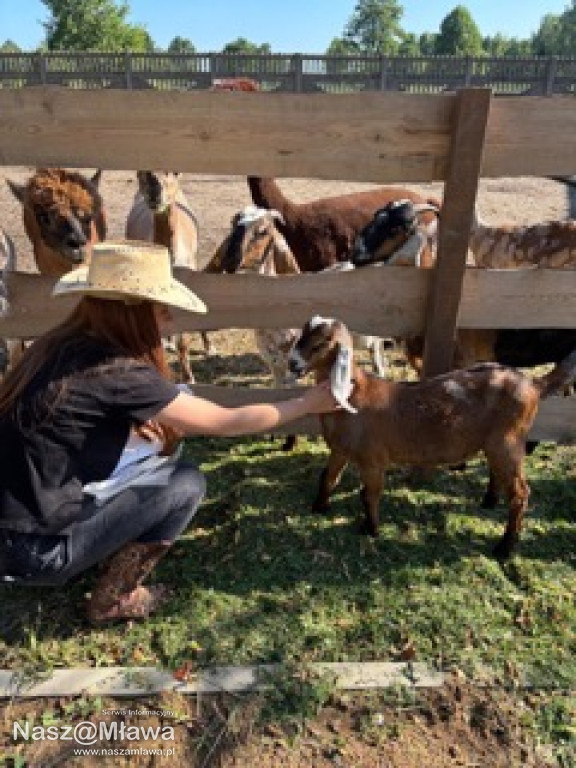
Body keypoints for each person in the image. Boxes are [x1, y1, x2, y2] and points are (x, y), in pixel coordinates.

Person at [0, 241, 337, 623]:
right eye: (162, 312)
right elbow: (226, 422)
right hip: (33, 553)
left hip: (13, 528)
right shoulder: (119, 372)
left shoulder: (57, 344)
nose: (170, 323)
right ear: (134, 314)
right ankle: (114, 598)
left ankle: (97, 544)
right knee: (185, 482)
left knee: (157, 449)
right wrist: (306, 405)